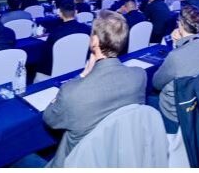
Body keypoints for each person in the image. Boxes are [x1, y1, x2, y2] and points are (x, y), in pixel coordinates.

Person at [42, 10, 147, 167]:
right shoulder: (139, 76)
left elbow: (50, 118)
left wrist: (83, 75)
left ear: (95, 41)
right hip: (118, 155)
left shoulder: (72, 91)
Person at [152, 5, 199, 132]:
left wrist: (175, 46)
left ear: (180, 24)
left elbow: (156, 83)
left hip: (176, 113)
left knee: (149, 100)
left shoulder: (175, 57)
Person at [37, 2, 91, 76]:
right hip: (80, 68)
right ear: (76, 12)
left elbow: (47, 58)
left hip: (55, 73)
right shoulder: (86, 28)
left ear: (60, 14)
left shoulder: (55, 33)